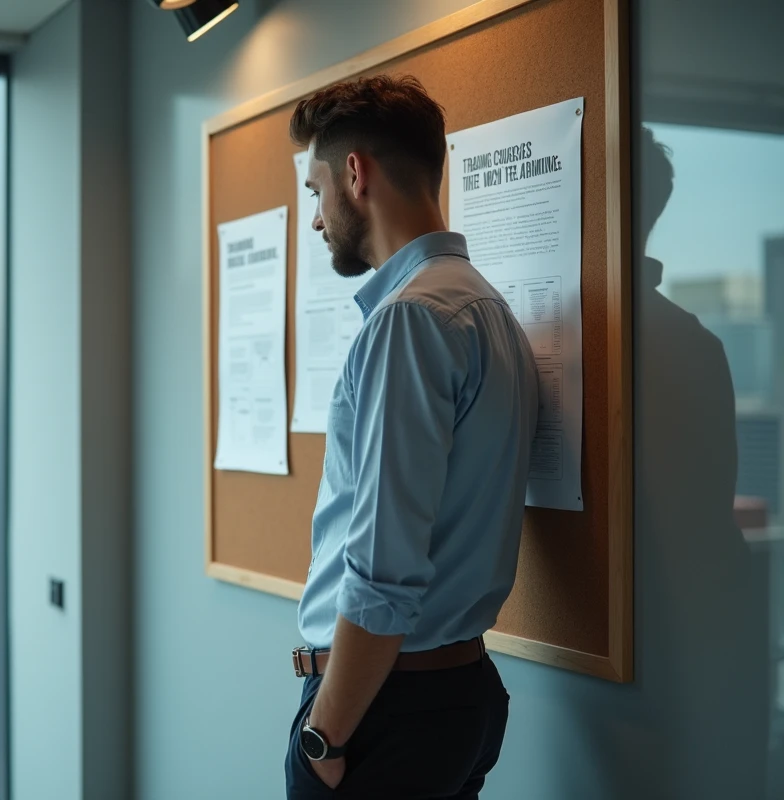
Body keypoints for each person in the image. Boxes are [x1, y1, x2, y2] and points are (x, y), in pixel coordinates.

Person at [284, 74, 538, 799]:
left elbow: (382, 569)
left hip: (380, 712)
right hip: (456, 694)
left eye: (314, 191)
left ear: (354, 174)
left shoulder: (409, 320)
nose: (315, 218)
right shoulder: (486, 306)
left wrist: (322, 736)